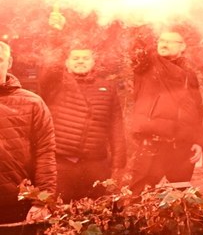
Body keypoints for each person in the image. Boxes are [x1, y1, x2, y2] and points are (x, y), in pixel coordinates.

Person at [38, 45, 126, 201]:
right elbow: (50, 67)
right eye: (75, 58)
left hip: (95, 164)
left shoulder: (107, 87)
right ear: (66, 62)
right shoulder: (55, 85)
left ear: (93, 62)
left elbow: (116, 127)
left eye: (85, 58)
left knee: (95, 211)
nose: (80, 62)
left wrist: (118, 164)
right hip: (62, 164)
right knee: (60, 212)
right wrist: (55, 35)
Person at [129, 29, 203, 189]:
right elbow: (137, 49)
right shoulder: (147, 65)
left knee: (179, 196)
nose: (164, 43)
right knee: (140, 195)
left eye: (170, 41)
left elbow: (196, 109)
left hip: (182, 145)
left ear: (182, 46)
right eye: (161, 40)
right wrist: (139, 25)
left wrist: (198, 141)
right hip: (153, 143)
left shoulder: (189, 73)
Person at [0, 42, 55, 225]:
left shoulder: (32, 104)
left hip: (17, 206)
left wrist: (41, 202)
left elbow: (45, 154)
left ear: (9, 63)